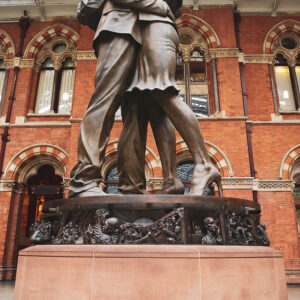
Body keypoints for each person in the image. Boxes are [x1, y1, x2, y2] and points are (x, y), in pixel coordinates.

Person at [69, 0, 184, 197]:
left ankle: (132, 186)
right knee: (105, 100)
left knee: (136, 109)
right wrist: (154, 4)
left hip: (148, 31)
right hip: (119, 26)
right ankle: (83, 180)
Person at [117, 0, 222, 195]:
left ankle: (204, 163)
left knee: (161, 90)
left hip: (155, 25)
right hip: (143, 28)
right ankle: (171, 180)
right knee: (150, 103)